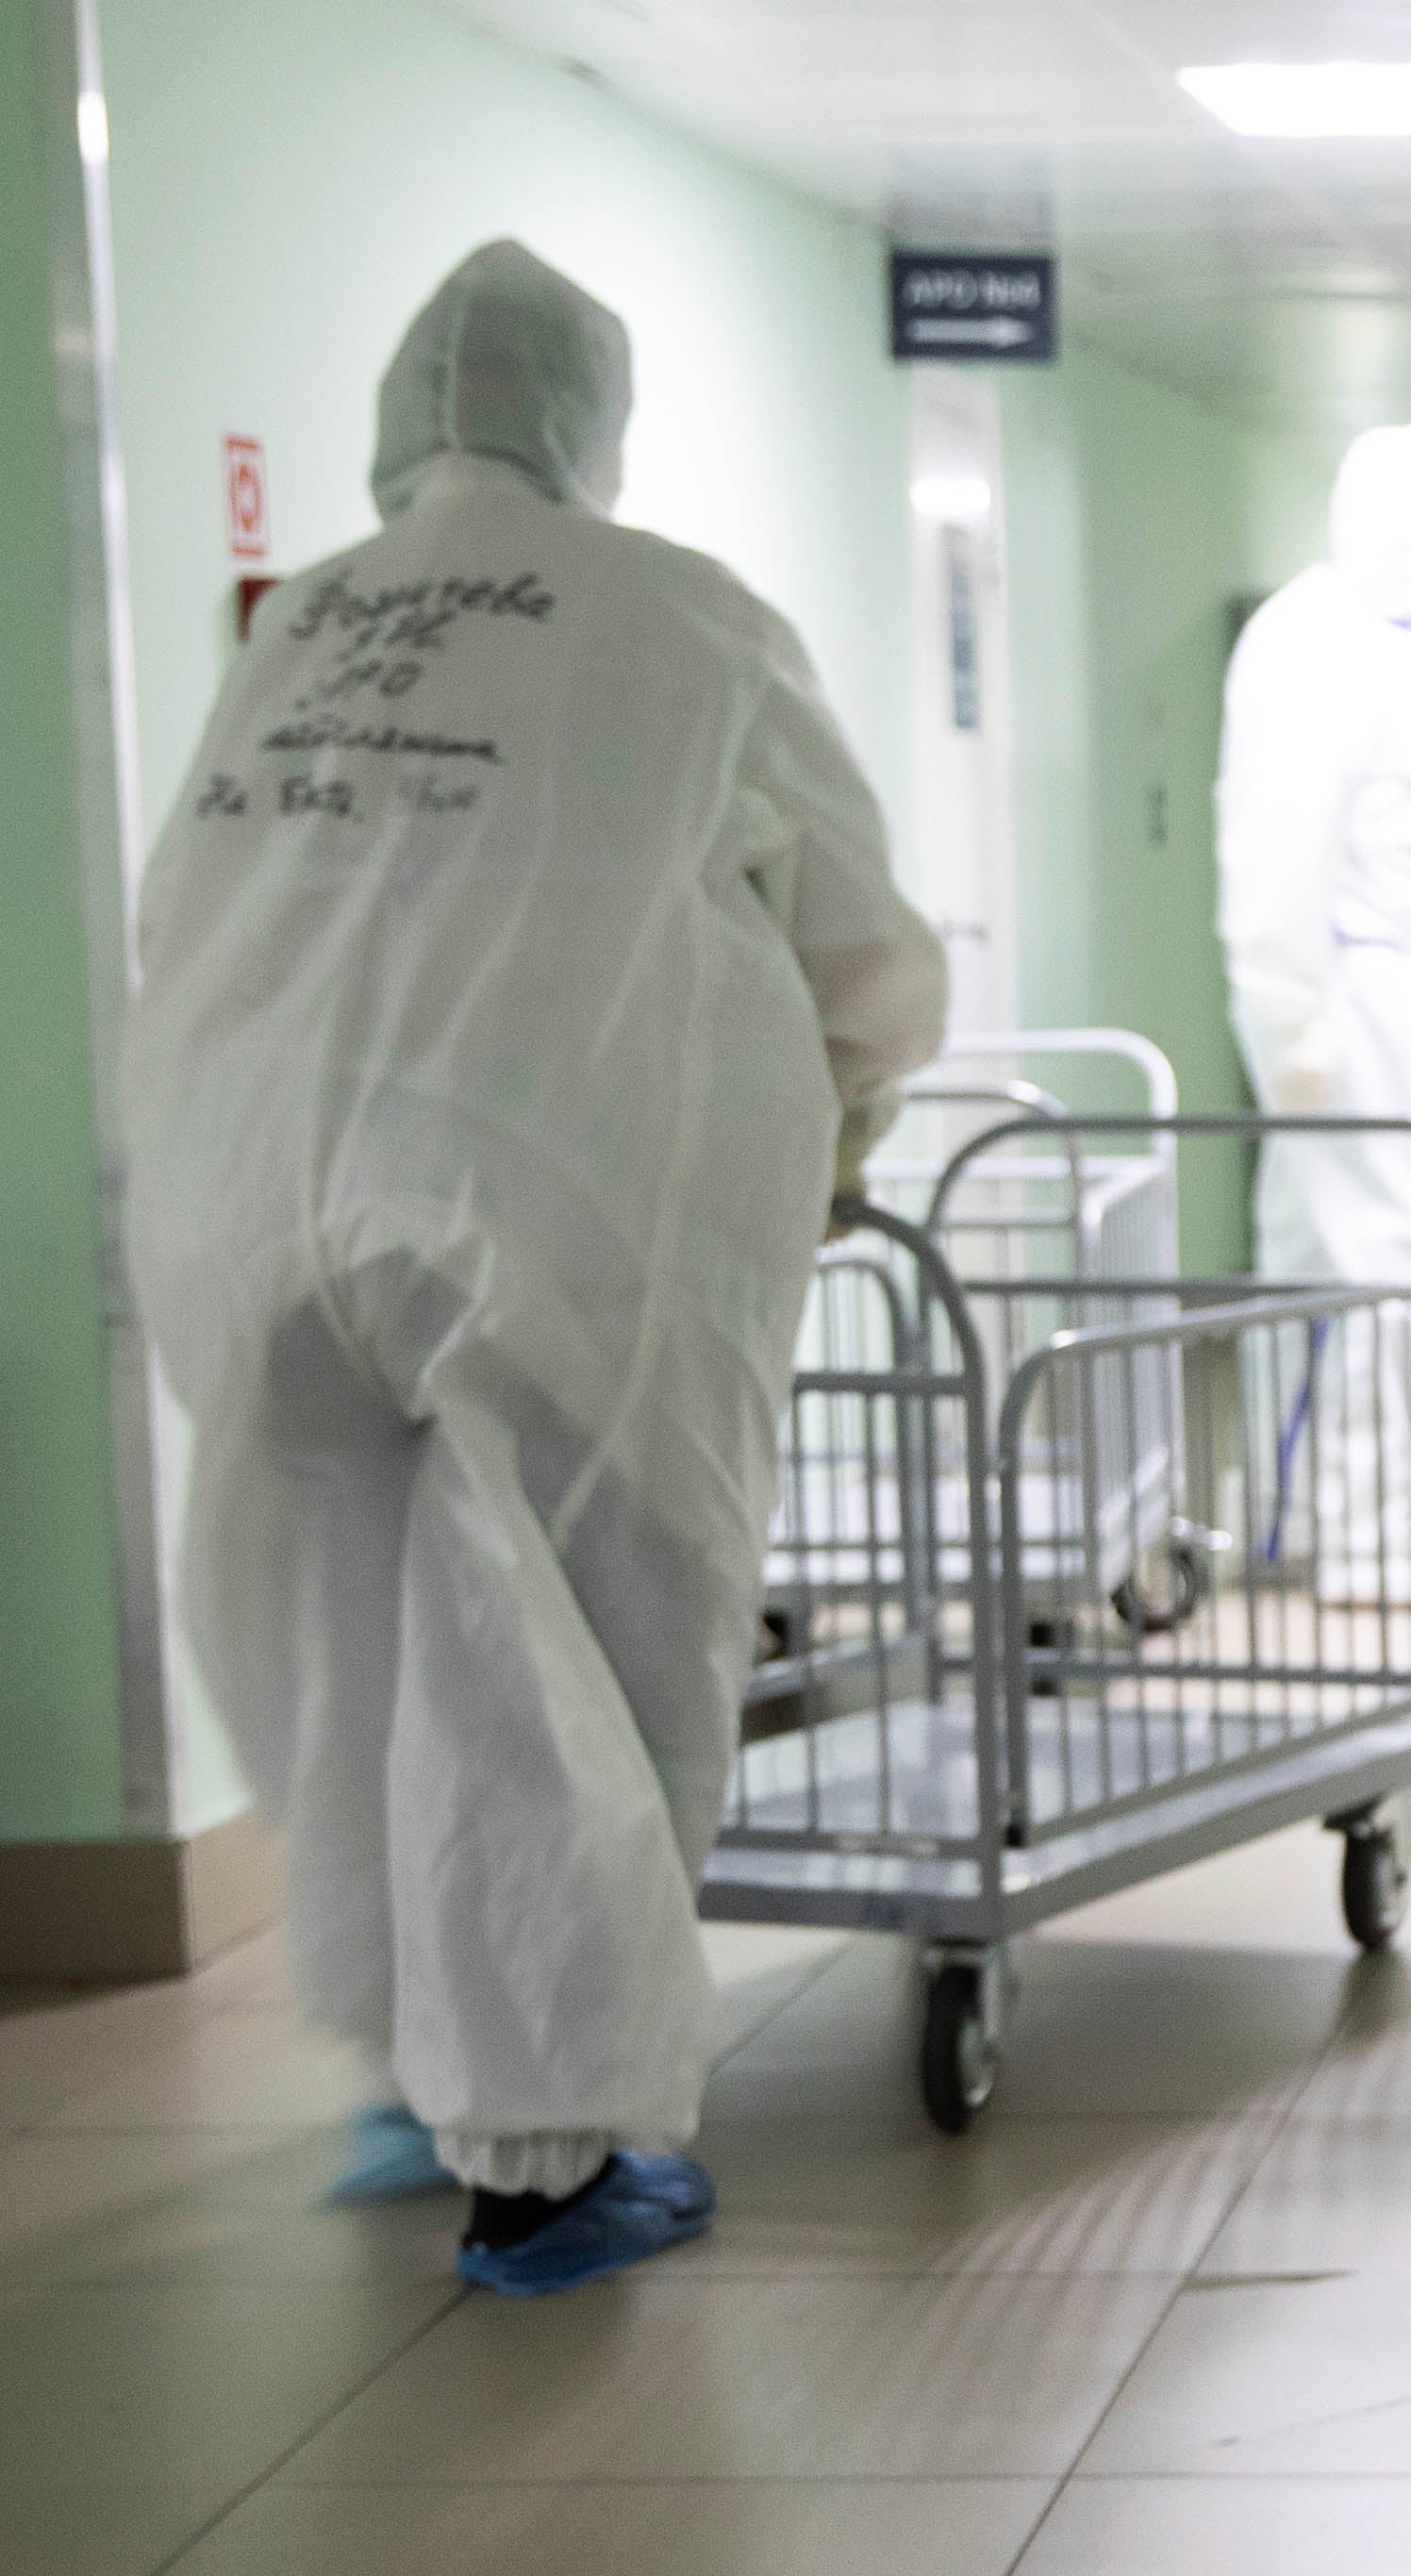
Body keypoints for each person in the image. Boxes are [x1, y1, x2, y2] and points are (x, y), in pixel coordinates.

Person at [124, 241, 948, 2295]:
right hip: (548, 1211)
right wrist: (846, 1112)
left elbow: (182, 905)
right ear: (596, 418)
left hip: (238, 1192)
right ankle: (548, 2162)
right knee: (558, 1666)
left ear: (402, 416)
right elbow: (858, 941)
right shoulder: (682, 615)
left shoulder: (305, 619)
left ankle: (415, 2076)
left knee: (341, 1656)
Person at [1215, 424, 1411, 1603]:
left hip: (1385, 984)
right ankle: (1378, 1548)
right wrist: (1297, 1019)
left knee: (1317, 1256)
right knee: (1390, 1264)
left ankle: (1306, 1525)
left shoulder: (1398, 645)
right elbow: (1276, 845)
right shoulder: (1312, 642)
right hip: (1340, 989)